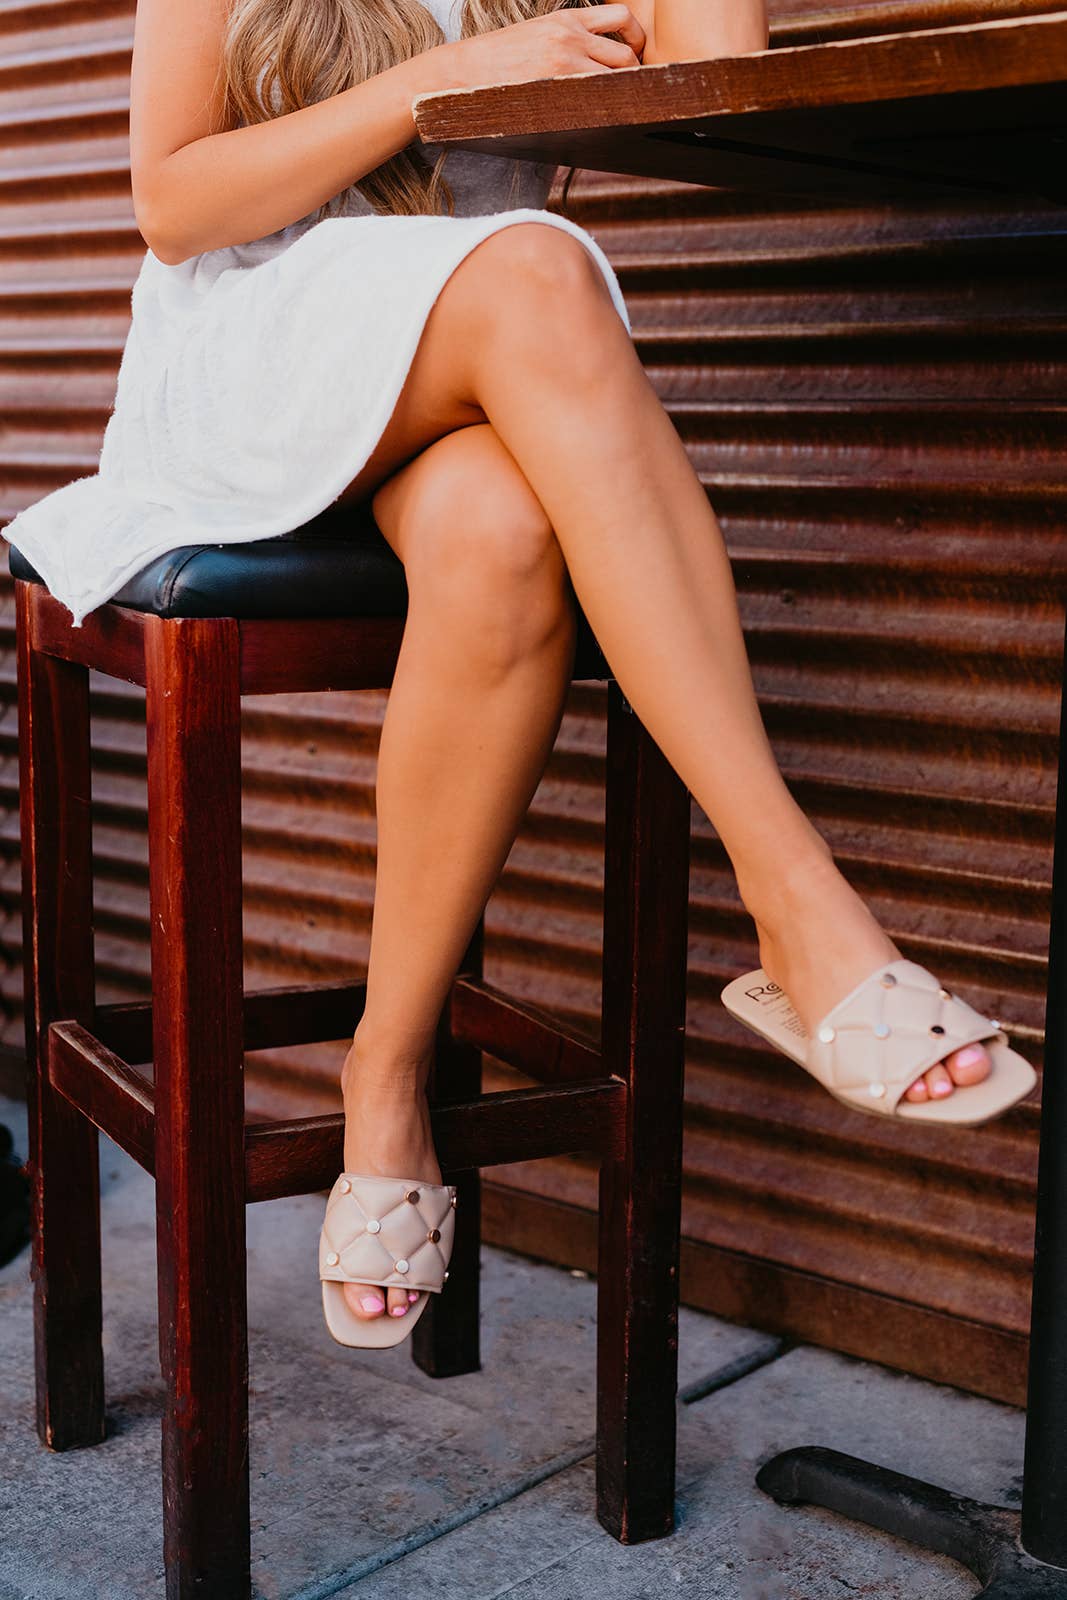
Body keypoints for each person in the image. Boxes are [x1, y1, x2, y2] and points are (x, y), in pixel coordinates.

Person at [4, 0, 1035, 1348]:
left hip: (472, 379)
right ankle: (797, 902)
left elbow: (704, 81)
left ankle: (384, 1073)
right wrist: (445, 78)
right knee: (540, 267)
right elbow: (177, 201)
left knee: (505, 529)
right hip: (253, 359)